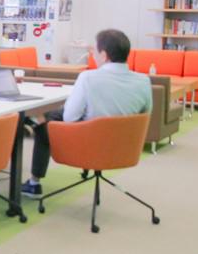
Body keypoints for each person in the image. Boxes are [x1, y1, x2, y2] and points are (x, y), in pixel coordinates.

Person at [21, 28, 152, 196]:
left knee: (46, 126)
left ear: (104, 55)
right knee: (54, 114)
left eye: (94, 51)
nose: (92, 55)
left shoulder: (88, 78)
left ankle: (34, 183)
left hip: (88, 145)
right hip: (125, 148)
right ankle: (35, 120)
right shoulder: (143, 81)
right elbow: (145, 115)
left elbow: (70, 118)